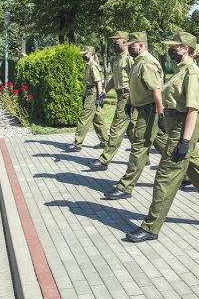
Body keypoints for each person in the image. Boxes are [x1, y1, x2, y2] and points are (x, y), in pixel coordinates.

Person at [126, 32, 199, 243]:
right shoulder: (181, 70)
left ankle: (151, 226)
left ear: (186, 48)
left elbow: (193, 110)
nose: (170, 50)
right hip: (176, 125)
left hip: (182, 127)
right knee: (197, 173)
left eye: (174, 47)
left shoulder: (192, 73)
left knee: (165, 178)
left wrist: (185, 142)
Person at [103, 32, 166, 200]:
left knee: (138, 148)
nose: (129, 48)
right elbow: (135, 85)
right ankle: (189, 173)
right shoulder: (138, 62)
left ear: (141, 45)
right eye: (128, 46)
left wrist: (161, 115)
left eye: (132, 46)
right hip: (142, 107)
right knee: (167, 147)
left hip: (150, 109)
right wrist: (130, 102)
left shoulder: (147, 63)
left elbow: (156, 91)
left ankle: (125, 187)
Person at [88, 31, 139, 169]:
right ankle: (142, 157)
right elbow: (114, 79)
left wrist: (132, 98)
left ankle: (104, 160)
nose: (113, 44)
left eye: (116, 41)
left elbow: (135, 79)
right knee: (130, 129)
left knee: (116, 129)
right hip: (121, 95)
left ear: (124, 41)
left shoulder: (130, 58)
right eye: (113, 42)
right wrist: (104, 92)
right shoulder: (119, 59)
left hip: (127, 96)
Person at [68, 46, 108, 151]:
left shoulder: (93, 65)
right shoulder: (88, 65)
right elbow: (88, 84)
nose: (83, 55)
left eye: (85, 53)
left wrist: (100, 96)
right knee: (97, 119)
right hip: (90, 92)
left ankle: (77, 143)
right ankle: (105, 141)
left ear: (90, 53)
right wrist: (84, 95)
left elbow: (98, 82)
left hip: (93, 93)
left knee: (84, 118)